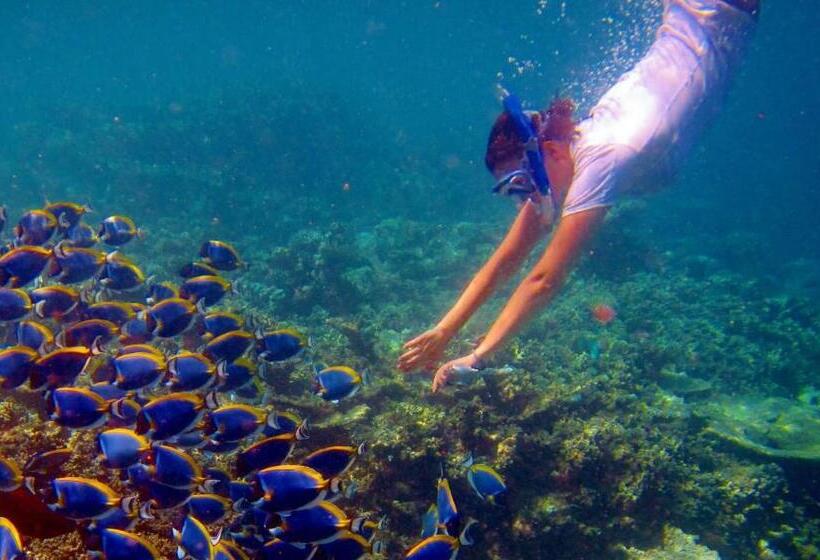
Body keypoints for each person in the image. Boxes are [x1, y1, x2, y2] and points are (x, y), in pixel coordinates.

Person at [397, 0, 760, 391]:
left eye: (522, 182)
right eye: (514, 191)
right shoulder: (563, 153)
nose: (526, 199)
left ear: (548, 153)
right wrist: (445, 330)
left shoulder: (601, 158)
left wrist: (478, 357)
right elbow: (507, 257)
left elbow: (545, 278)